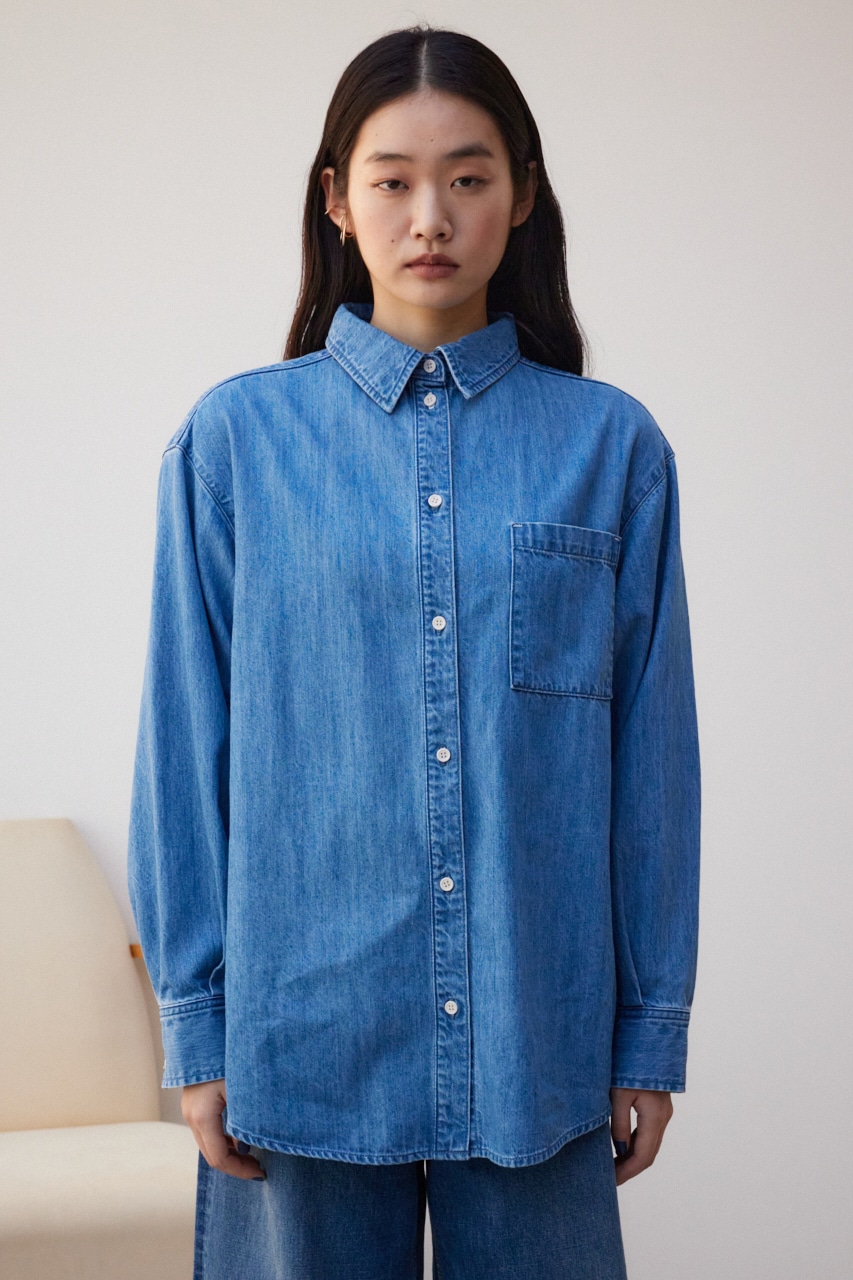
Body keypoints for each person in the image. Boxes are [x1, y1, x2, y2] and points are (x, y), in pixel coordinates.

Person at [127, 22, 701, 1280]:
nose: (429, 216)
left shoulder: (611, 449)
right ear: (337, 200)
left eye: (467, 176)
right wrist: (200, 1031)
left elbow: (651, 765)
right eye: (392, 179)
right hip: (302, 1042)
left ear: (523, 195)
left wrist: (648, 1029)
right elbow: (183, 749)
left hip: (538, 1035)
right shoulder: (235, 445)